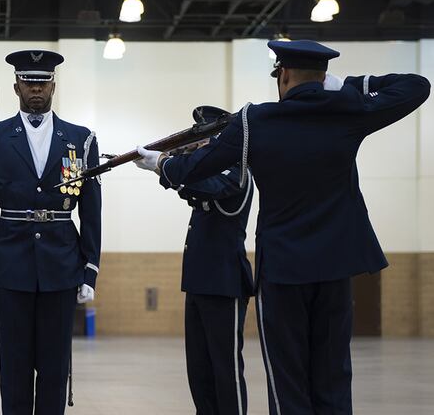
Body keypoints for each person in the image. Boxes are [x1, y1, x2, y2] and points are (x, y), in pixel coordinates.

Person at [137, 40, 430, 414]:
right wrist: (351, 85)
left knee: (286, 379)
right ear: (323, 77)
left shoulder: (254, 121)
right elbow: (416, 85)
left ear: (284, 74)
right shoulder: (346, 111)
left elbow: (194, 168)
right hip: (337, 266)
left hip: (284, 269)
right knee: (334, 374)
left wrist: (160, 163)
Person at [0, 50, 102, 415]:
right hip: (11, 266)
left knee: (55, 369)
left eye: (43, 82)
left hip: (61, 265)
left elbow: (92, 210)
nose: (36, 89)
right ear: (16, 87)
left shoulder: (81, 138)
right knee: (14, 368)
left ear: (54, 85)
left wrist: (90, 268)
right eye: (29, 82)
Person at [134, 115, 254, 414]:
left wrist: (165, 166)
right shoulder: (208, 173)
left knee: (225, 371)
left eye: (204, 139)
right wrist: (167, 168)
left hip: (225, 284)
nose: (198, 145)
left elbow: (207, 187)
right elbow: (192, 187)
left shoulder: (237, 171)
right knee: (199, 373)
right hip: (200, 282)